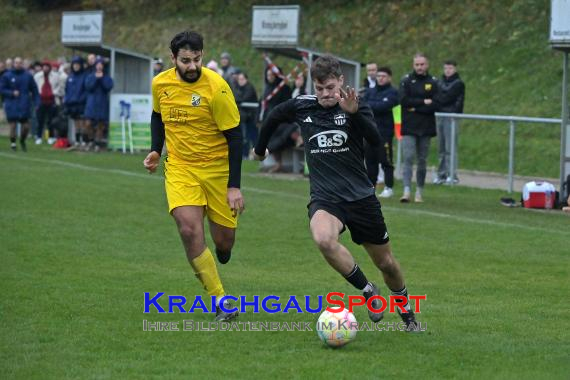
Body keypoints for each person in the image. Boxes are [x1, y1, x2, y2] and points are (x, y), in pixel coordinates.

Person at [254, 55, 418, 329]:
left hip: (361, 199)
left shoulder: (354, 105)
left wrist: (354, 114)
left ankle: (407, 312)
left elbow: (375, 140)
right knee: (323, 239)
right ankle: (369, 292)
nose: (325, 94)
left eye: (329, 88)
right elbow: (271, 116)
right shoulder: (303, 105)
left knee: (387, 263)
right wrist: (260, 149)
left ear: (341, 81)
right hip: (326, 198)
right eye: (319, 89)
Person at [143, 30, 243, 322]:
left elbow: (235, 137)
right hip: (180, 167)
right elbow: (157, 116)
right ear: (173, 59)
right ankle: (221, 300)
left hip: (217, 170)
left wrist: (234, 186)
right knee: (188, 229)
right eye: (185, 60)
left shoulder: (217, 87)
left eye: (196, 60)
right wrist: (154, 150)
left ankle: (221, 254)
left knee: (224, 243)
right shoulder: (160, 83)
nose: (192, 66)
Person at [399, 53, 439, 203]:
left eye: (422, 64)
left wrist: (415, 107)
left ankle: (419, 191)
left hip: (426, 127)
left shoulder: (433, 82)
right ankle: (406, 190)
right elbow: (403, 101)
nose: (420, 67)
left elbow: (436, 103)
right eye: (417, 65)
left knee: (422, 160)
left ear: (427, 65)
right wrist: (423, 102)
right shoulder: (406, 80)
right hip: (409, 126)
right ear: (413, 65)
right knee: (408, 157)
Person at [363, 66, 399, 198]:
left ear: (389, 78)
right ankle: (370, 188)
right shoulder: (370, 91)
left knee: (386, 161)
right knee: (370, 162)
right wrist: (375, 105)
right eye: (378, 76)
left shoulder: (393, 92)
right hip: (369, 131)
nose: (380, 79)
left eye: (383, 76)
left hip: (385, 132)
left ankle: (389, 187)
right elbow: (363, 105)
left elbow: (385, 106)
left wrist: (373, 105)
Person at [434, 60, 465, 185]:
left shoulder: (458, 84)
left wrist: (439, 100)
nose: (448, 70)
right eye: (446, 68)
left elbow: (447, 98)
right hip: (440, 116)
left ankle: (452, 175)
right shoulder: (439, 82)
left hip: (451, 117)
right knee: (441, 147)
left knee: (450, 148)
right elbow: (436, 96)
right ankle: (441, 174)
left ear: (455, 69)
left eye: (450, 68)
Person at [0, 57, 39, 151]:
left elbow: (34, 89)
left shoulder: (28, 76)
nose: (18, 64)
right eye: (16, 63)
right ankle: (13, 143)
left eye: (20, 63)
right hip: (11, 104)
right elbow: (2, 89)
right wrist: (11, 93)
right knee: (12, 125)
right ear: (13, 64)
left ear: (22, 64)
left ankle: (22, 140)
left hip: (24, 104)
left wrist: (37, 101)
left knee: (26, 126)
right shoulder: (7, 75)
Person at [84, 58, 114, 151]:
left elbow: (108, 87)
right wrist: (96, 79)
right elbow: (88, 87)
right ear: (95, 66)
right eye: (98, 64)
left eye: (101, 64)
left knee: (100, 125)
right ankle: (91, 140)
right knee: (88, 123)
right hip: (91, 103)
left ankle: (97, 143)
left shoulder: (107, 77)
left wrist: (101, 79)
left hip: (102, 103)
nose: (99, 66)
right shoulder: (90, 76)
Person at [34, 61, 62, 145]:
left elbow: (59, 86)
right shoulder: (37, 76)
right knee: (40, 120)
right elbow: (35, 87)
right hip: (41, 100)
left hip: (51, 100)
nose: (45, 68)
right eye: (44, 66)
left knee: (51, 120)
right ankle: (38, 136)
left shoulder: (55, 76)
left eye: (47, 66)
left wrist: (54, 93)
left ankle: (51, 136)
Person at [233, 71, 259, 159]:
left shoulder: (249, 88)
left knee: (253, 137)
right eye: (239, 79)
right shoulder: (238, 88)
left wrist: (236, 99)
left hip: (252, 117)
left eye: (242, 79)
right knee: (245, 137)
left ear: (246, 79)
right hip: (244, 118)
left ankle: (256, 154)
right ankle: (245, 155)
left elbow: (242, 99)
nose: (240, 81)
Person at [64, 56, 88, 149]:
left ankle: (84, 141)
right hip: (72, 104)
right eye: (74, 65)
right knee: (76, 123)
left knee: (82, 123)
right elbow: (67, 89)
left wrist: (81, 99)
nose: (76, 66)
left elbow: (86, 90)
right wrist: (67, 100)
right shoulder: (70, 76)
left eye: (77, 65)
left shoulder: (85, 76)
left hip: (81, 103)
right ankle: (77, 141)